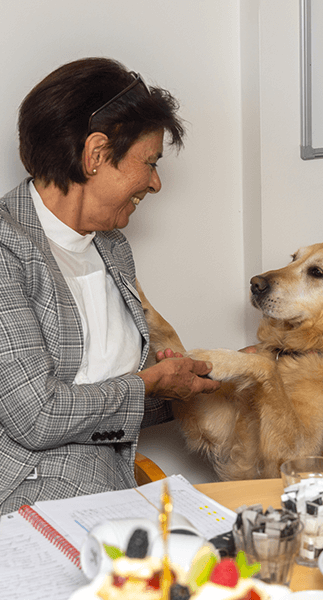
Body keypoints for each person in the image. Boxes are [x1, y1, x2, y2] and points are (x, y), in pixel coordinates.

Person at [0, 57, 220, 515]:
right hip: (28, 499)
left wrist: (216, 377)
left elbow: (113, 395)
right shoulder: (6, 250)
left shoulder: (112, 247)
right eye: (150, 163)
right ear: (96, 154)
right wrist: (149, 385)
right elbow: (37, 417)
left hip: (109, 491)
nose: (156, 184)